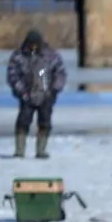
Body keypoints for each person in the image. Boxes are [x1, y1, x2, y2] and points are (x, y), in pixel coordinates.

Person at [5, 29, 66, 160]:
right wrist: (21, 91)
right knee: (22, 122)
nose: (33, 47)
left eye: (36, 44)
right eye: (31, 44)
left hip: (46, 95)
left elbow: (60, 73)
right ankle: (20, 150)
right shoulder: (18, 56)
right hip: (26, 95)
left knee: (45, 123)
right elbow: (12, 75)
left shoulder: (51, 56)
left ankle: (41, 150)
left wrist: (54, 90)